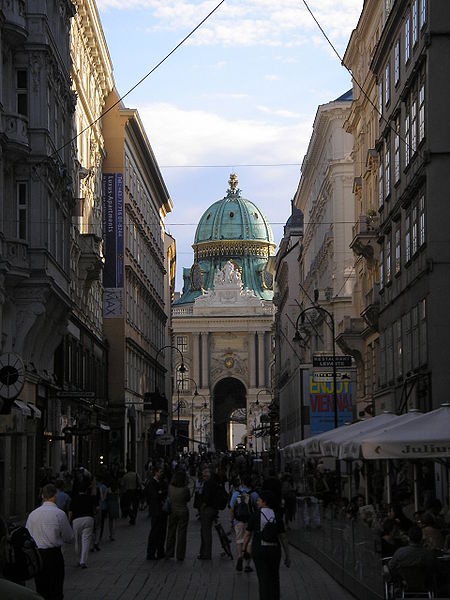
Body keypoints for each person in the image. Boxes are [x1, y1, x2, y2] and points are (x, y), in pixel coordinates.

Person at [25, 483, 74, 600]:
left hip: (38, 556)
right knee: (56, 589)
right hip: (54, 555)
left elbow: (27, 535)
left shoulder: (33, 514)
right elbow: (69, 537)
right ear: (55, 496)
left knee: (41, 589)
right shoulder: (59, 514)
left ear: (42, 496)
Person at [244, 489, 290, 600]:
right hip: (274, 550)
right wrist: (287, 555)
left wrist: (244, 550)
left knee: (263, 578)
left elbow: (247, 534)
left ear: (264, 502)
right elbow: (283, 537)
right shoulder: (277, 516)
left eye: (259, 500)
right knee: (274, 577)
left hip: (259, 549)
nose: (257, 502)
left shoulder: (256, 515)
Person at [229, 475, 258, 572]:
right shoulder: (254, 494)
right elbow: (257, 508)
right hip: (250, 521)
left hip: (238, 521)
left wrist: (231, 521)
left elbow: (232, 508)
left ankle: (240, 556)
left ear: (242, 482)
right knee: (249, 542)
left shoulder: (236, 493)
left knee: (239, 540)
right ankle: (247, 565)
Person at [71, 479, 97, 568]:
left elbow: (70, 511)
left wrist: (69, 520)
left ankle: (78, 560)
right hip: (88, 518)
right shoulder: (90, 497)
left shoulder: (74, 498)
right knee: (86, 540)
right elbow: (97, 507)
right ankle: (83, 561)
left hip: (76, 520)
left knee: (77, 541)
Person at [165, 470, 191, 561]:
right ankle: (180, 555)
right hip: (183, 511)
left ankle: (169, 552)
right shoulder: (185, 489)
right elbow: (188, 499)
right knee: (182, 534)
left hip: (173, 511)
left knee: (171, 532)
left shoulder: (170, 487)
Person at [146, 465, 168, 560]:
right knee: (155, 531)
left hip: (163, 510)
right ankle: (151, 553)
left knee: (162, 532)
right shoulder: (151, 483)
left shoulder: (162, 482)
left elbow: (165, 492)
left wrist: (161, 493)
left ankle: (160, 551)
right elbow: (154, 496)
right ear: (156, 472)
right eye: (160, 472)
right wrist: (160, 493)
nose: (161, 473)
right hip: (156, 510)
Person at [197, 468, 219, 560]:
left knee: (206, 533)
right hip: (214, 509)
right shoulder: (215, 483)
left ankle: (206, 553)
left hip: (207, 510)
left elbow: (206, 498)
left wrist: (202, 508)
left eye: (205, 476)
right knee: (205, 532)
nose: (203, 477)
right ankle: (203, 552)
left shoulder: (207, 484)